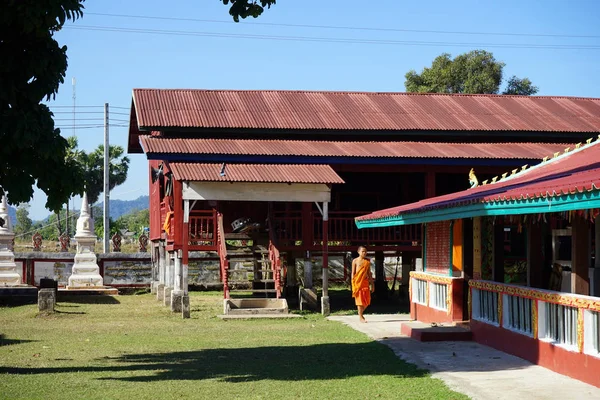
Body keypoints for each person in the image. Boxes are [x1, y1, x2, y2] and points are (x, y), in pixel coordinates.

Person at [351, 246, 374, 323]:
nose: (364, 253)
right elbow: (353, 273)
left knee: (367, 301)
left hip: (365, 282)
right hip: (357, 283)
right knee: (359, 301)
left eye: (365, 251)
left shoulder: (367, 261)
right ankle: (361, 317)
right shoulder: (355, 261)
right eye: (362, 251)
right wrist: (353, 282)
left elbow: (369, 273)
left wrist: (372, 284)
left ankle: (360, 313)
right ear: (358, 252)